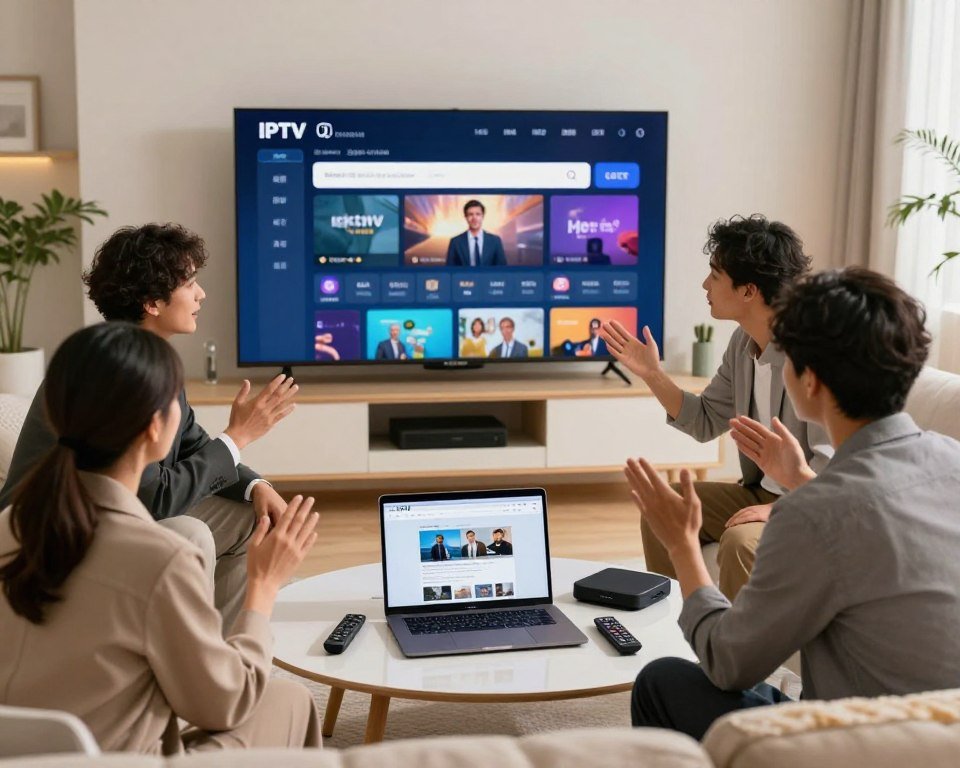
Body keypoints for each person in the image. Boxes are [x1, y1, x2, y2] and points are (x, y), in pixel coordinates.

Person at [629, 268, 960, 740]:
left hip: (861, 743)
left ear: (810, 381)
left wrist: (682, 545)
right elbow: (866, 523)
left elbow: (729, 666)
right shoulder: (952, 458)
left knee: (660, 682)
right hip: (944, 736)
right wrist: (801, 479)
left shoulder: (810, 516)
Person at [0, 323, 321, 753]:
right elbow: (227, 705)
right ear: (155, 428)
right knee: (290, 700)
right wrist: (263, 585)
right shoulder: (160, 560)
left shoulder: (11, 528)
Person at [0, 224, 298, 628]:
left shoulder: (144, 356)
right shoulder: (119, 370)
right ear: (152, 302)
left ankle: (224, 653)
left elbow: (193, 445)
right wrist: (240, 435)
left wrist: (255, 485)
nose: (201, 294)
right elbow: (155, 498)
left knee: (250, 516)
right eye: (190, 283)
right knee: (191, 531)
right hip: (58, 535)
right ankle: (190, 656)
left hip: (108, 515)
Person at [600, 215, 830, 599]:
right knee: (665, 509)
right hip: (760, 491)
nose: (705, 285)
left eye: (715, 274)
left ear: (748, 291)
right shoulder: (743, 344)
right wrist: (653, 375)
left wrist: (782, 510)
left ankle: (736, 655)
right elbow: (705, 421)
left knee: (740, 542)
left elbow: (833, 467)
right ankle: (678, 629)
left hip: (810, 502)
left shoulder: (815, 355)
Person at [446, 200, 507, 267]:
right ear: (466, 217)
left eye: (478, 214)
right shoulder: (455, 242)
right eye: (470, 214)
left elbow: (502, 270)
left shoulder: (495, 241)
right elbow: (450, 272)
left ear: (482, 216)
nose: (474, 218)